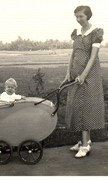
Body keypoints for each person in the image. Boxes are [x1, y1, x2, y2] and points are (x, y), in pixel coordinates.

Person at [61, 5, 105, 158]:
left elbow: (93, 57)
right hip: (75, 75)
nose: (78, 19)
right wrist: (68, 73)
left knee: (85, 108)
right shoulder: (77, 33)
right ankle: (84, 140)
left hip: (89, 75)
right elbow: (72, 55)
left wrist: (84, 75)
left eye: (81, 16)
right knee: (78, 107)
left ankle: (85, 145)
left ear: (88, 16)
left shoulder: (96, 33)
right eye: (76, 16)